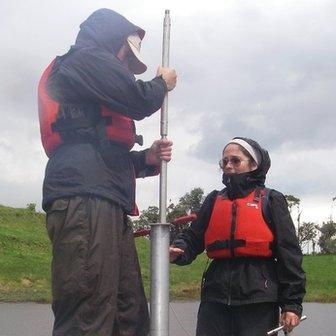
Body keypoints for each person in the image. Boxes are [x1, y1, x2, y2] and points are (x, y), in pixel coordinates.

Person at [38, 8, 177, 336]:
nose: (128, 69)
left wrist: (147, 159)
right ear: (116, 43)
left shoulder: (94, 73)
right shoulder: (84, 59)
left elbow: (104, 155)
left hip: (104, 201)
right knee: (88, 318)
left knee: (127, 316)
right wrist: (162, 83)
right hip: (83, 202)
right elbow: (138, 99)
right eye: (128, 60)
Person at [170, 137, 306, 336]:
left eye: (235, 160)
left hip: (258, 297)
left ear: (254, 164)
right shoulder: (213, 200)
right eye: (224, 161)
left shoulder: (272, 200)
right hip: (215, 297)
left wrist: (292, 305)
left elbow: (290, 254)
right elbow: (193, 238)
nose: (228, 165)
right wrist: (179, 251)